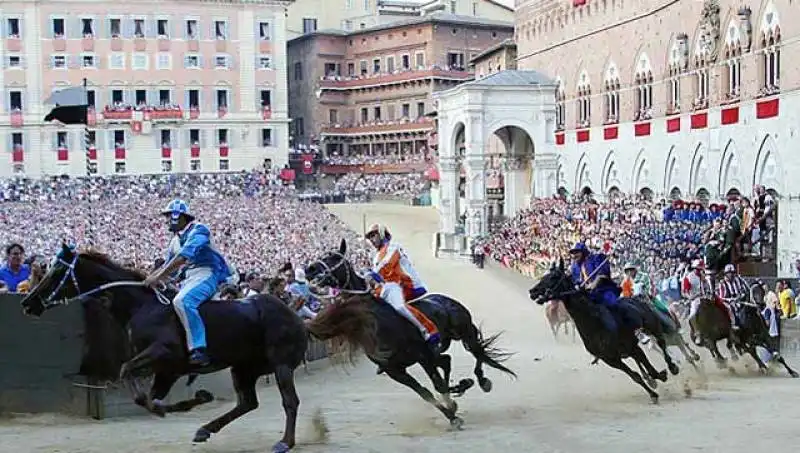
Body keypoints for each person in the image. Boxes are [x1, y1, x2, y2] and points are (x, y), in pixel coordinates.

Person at [143, 199, 234, 367]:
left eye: (170, 216)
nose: (167, 221)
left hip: (207, 274)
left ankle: (199, 349)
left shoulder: (199, 230)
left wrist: (157, 277)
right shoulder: (174, 241)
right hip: (189, 278)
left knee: (183, 301)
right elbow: (168, 267)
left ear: (179, 217)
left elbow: (183, 257)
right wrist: (150, 278)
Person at [364, 223, 440, 351]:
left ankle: (428, 331)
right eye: (369, 237)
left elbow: (387, 264)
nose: (371, 240)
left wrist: (371, 274)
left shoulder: (393, 247)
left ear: (382, 234)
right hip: (388, 286)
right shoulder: (376, 255)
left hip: (403, 283)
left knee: (399, 306)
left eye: (373, 236)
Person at [568, 243, 650, 345]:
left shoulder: (596, 258)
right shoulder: (575, 267)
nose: (574, 255)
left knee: (614, 305)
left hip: (603, 290)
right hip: (588, 295)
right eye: (573, 253)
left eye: (576, 252)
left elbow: (603, 272)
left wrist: (595, 282)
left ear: (583, 252)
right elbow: (576, 281)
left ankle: (637, 330)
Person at [683, 259, 713, 344]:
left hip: (706, 296)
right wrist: (690, 297)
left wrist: (709, 292)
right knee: (692, 316)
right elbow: (685, 292)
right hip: (696, 299)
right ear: (695, 269)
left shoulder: (705, 275)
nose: (701, 271)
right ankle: (698, 332)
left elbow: (708, 286)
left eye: (702, 269)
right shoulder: (689, 277)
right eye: (699, 269)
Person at [716, 264, 748, 331]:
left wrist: (741, 295)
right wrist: (731, 300)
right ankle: (734, 324)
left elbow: (745, 289)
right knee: (731, 307)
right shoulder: (722, 283)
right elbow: (721, 297)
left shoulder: (738, 280)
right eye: (729, 273)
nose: (731, 275)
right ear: (726, 274)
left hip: (740, 299)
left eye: (732, 273)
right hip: (728, 301)